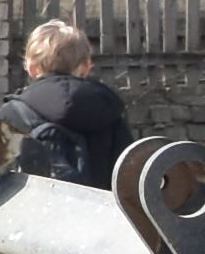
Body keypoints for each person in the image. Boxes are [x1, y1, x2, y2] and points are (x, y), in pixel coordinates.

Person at [11, 16, 130, 184]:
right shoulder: (108, 110)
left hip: (36, 208)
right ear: (86, 66)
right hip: (99, 208)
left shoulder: (13, 114)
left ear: (30, 67)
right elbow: (128, 175)